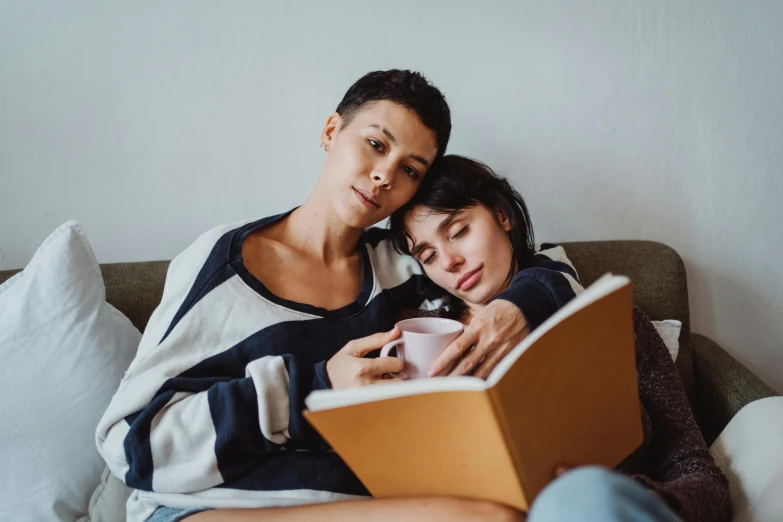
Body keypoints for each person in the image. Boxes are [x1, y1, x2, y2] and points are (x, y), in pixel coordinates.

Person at [96, 71, 581, 522]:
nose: (385, 176)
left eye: (410, 170)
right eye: (374, 144)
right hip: (208, 508)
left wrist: (514, 310)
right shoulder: (225, 264)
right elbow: (129, 445)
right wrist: (315, 389)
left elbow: (546, 269)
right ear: (331, 132)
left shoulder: (405, 266)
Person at [387, 154, 733, 522]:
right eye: (428, 255)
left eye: (458, 232)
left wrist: (650, 501)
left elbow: (696, 468)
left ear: (502, 216)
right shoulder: (417, 345)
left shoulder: (612, 322)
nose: (449, 261)